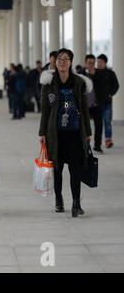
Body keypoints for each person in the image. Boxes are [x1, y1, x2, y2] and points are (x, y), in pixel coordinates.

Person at [39, 48, 93, 218]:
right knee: (57, 169)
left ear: (70, 62)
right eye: (60, 59)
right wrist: (42, 133)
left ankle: (76, 203)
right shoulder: (48, 83)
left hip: (75, 133)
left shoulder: (78, 82)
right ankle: (59, 200)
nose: (62, 62)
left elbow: (84, 108)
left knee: (75, 169)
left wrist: (88, 131)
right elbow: (45, 111)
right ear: (55, 62)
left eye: (66, 59)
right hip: (55, 133)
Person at [96, 54, 120, 149]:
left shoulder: (110, 73)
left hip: (106, 102)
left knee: (107, 121)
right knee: (98, 124)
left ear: (105, 63)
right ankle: (97, 143)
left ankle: (108, 140)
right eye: (98, 62)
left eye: (100, 62)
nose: (99, 64)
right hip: (96, 103)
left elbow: (116, 85)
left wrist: (111, 93)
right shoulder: (94, 73)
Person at [84, 54, 103, 153]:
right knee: (85, 127)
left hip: (96, 104)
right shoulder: (81, 74)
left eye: (92, 63)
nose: (91, 65)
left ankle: (97, 145)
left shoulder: (99, 74)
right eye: (89, 63)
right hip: (85, 105)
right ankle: (86, 146)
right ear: (85, 63)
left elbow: (103, 87)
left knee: (99, 125)